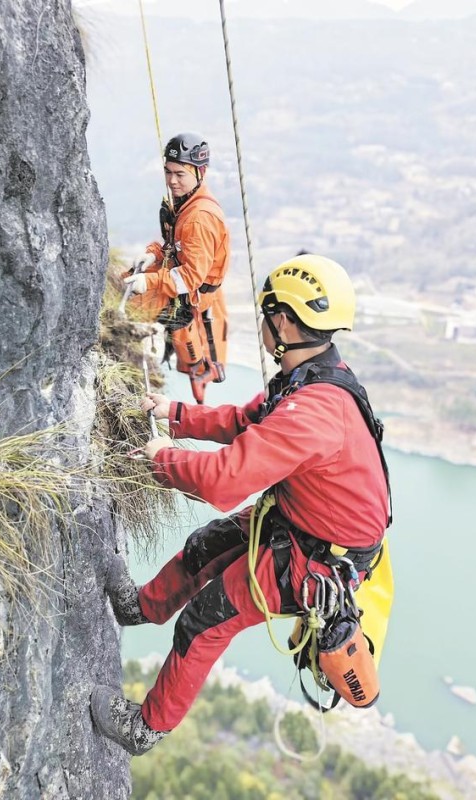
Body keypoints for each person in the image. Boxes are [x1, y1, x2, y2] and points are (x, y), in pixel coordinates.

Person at [90, 254, 390, 756]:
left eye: (269, 313)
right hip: (301, 526)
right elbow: (249, 419)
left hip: (313, 560)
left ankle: (145, 728)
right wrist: (175, 415)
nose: (265, 324)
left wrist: (160, 460)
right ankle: (138, 606)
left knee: (206, 620)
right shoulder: (312, 375)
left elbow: (224, 481)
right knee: (204, 546)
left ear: (285, 320)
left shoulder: (313, 410)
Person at [123, 131, 230, 404]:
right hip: (184, 281)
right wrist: (152, 254)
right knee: (125, 283)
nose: (172, 181)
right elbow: (175, 245)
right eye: (168, 172)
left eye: (179, 174)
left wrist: (149, 282)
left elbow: (190, 277)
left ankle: (129, 363)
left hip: (191, 291)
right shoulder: (187, 203)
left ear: (200, 172)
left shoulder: (198, 218)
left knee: (125, 306)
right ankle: (194, 367)